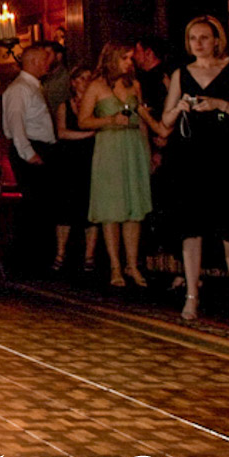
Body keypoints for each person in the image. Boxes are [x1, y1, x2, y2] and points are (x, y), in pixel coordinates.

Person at [159, 16, 229, 323]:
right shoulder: (180, 74)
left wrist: (220, 105)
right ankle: (191, 295)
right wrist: (179, 108)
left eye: (204, 38)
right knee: (191, 230)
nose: (198, 44)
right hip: (189, 158)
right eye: (193, 39)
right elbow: (164, 122)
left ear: (217, 40)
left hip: (224, 157)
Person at [78, 43, 156, 288]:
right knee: (112, 208)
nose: (129, 63)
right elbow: (83, 121)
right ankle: (115, 266)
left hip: (133, 145)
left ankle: (132, 264)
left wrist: (148, 153)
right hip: (109, 146)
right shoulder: (96, 86)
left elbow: (142, 121)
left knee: (133, 208)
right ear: (112, 59)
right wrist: (110, 119)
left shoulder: (135, 85)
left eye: (131, 58)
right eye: (125, 58)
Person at [1, 43, 57, 271]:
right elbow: (16, 125)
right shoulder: (19, 88)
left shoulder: (32, 86)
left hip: (38, 149)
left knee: (41, 208)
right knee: (33, 207)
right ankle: (27, 262)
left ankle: (38, 260)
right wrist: (29, 154)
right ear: (34, 62)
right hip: (31, 151)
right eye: (45, 60)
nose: (48, 64)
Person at [51, 64, 98, 272]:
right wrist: (87, 135)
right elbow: (61, 133)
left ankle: (90, 255)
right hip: (70, 160)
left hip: (92, 159)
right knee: (65, 209)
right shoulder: (65, 106)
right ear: (73, 82)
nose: (85, 82)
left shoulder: (97, 105)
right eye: (81, 78)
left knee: (92, 208)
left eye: (89, 78)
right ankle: (60, 253)